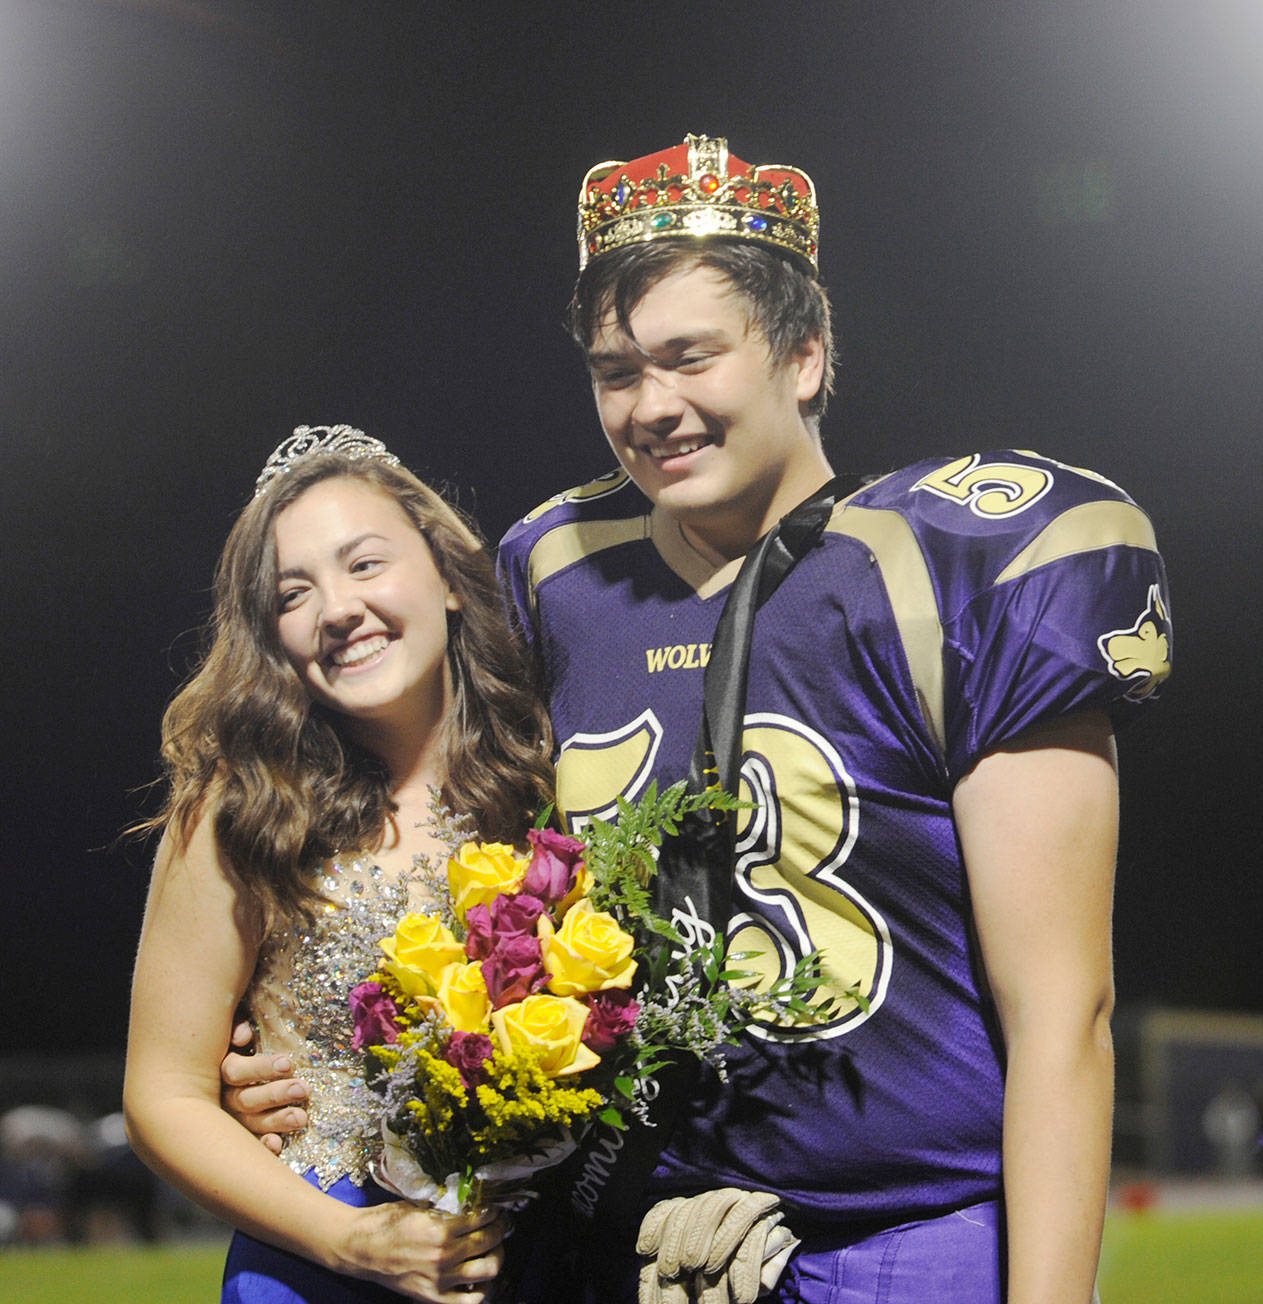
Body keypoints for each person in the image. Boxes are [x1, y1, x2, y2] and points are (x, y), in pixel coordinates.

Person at [227, 135, 1172, 1303]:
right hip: (634, 1235)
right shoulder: (546, 574)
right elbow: (392, 805)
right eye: (616, 370)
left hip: (910, 1232)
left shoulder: (962, 561)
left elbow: (1063, 1013)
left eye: (689, 356)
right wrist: (298, 1052)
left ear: (805, 352)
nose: (651, 405)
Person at [125, 426, 555, 1303]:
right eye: (294, 592)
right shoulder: (242, 809)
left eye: (364, 564)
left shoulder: (554, 769)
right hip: (319, 1269)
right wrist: (354, 1240)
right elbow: (162, 1096)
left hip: (549, 1259)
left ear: (446, 576)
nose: (337, 609)